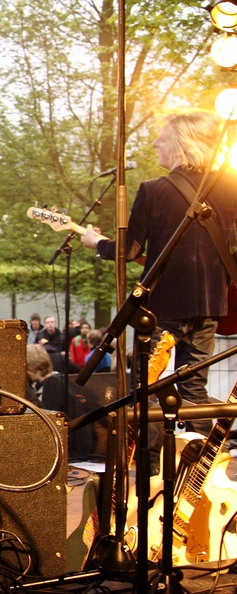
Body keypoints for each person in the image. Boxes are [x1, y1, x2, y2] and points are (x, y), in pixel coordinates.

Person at [81, 110, 237, 434]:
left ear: (180, 144)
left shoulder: (153, 190)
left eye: (162, 138)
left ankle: (150, 468)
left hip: (161, 311)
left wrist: (96, 242)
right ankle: (198, 474)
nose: (155, 143)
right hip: (209, 306)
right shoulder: (229, 188)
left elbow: (129, 251)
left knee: (145, 391)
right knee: (194, 390)